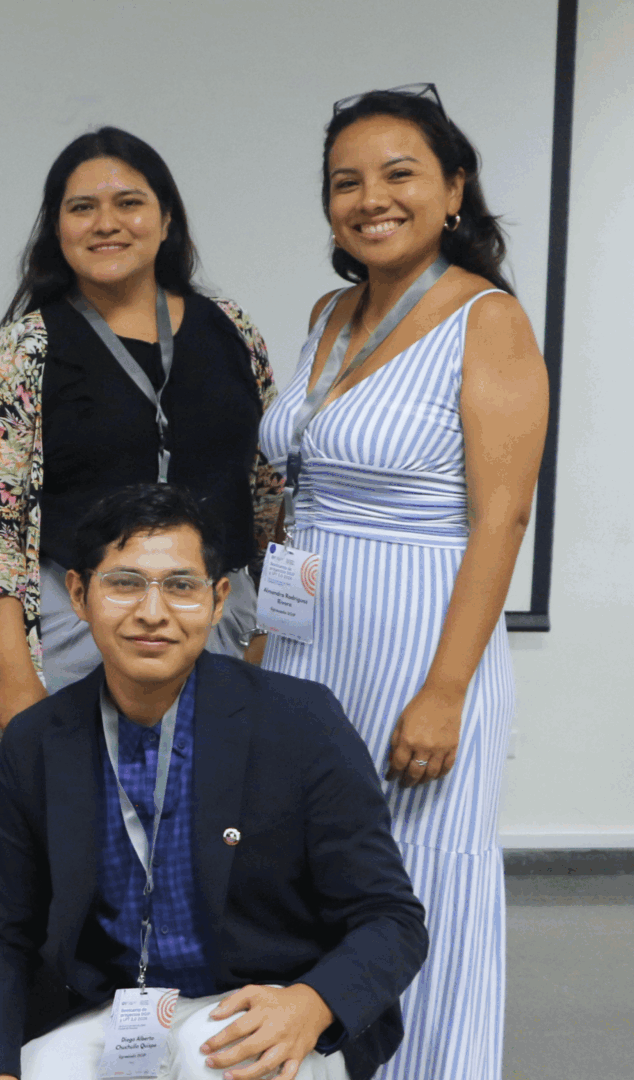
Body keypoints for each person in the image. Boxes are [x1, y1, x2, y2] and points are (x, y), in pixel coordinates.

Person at [256, 85, 547, 1080]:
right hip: (307, 643)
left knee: (418, 883)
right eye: (347, 181)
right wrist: (263, 646)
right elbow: (296, 496)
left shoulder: (488, 320)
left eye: (399, 174)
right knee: (307, 878)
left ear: (454, 189)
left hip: (421, 646)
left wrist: (446, 690)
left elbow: (502, 519)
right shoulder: (328, 313)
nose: (370, 199)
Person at [0, 484, 428, 1080]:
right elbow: (1, 934)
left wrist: (311, 1004)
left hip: (265, 999)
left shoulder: (301, 721)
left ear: (218, 600)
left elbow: (392, 918)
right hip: (111, 1011)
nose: (151, 613)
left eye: (181, 586)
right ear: (79, 595)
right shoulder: (37, 742)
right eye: (125, 583)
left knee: (216, 1060)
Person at [0, 127, 284, 739]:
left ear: (167, 220)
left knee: (217, 793)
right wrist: (17, 677)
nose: (106, 223)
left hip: (220, 621)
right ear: (58, 228)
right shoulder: (26, 346)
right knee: (87, 797)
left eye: (129, 203)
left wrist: (268, 627)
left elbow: (268, 495)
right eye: (82, 207)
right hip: (78, 626)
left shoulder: (231, 328)